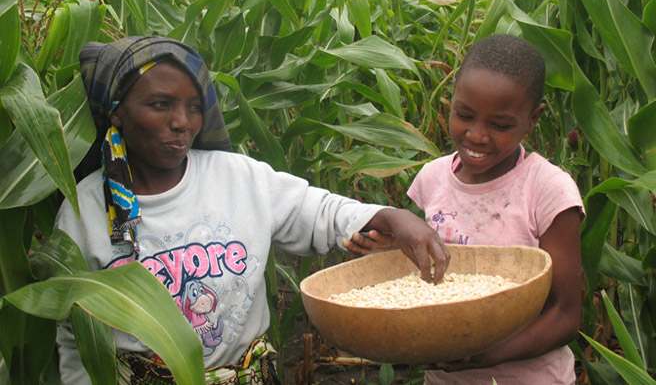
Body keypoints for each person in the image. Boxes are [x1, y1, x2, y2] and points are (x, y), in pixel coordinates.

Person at [55, 36, 449, 385]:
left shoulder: (237, 178)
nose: (182, 122)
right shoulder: (85, 208)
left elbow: (316, 210)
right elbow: (76, 335)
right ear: (117, 112)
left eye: (194, 107)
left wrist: (391, 217)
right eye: (160, 105)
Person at [347, 34, 584, 385]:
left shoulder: (548, 190)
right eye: (464, 115)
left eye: (500, 125)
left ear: (533, 120)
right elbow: (441, 263)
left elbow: (566, 315)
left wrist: (487, 357)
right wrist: (393, 251)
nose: (476, 136)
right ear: (453, 97)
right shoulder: (433, 178)